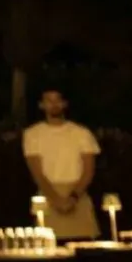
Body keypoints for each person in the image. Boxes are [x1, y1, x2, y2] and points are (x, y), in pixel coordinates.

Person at [23, 89, 101, 241]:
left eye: (57, 100)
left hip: (77, 194)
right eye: (49, 101)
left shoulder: (82, 133)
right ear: (41, 105)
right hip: (48, 195)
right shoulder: (32, 134)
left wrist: (73, 198)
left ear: (64, 104)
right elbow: (37, 173)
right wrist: (55, 199)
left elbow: (88, 170)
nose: (54, 105)